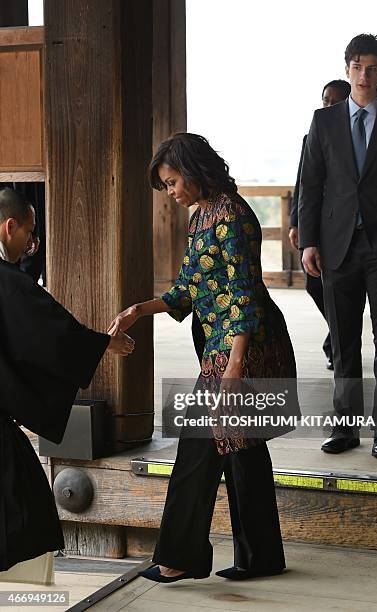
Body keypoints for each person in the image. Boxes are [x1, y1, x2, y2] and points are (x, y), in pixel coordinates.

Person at [109, 133, 299, 582]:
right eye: (167, 186)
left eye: (173, 182)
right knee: (242, 453)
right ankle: (262, 557)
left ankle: (180, 558)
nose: (171, 193)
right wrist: (141, 309)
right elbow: (189, 290)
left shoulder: (230, 216)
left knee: (197, 450)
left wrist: (233, 369)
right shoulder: (202, 217)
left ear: (193, 172)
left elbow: (243, 297)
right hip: (227, 345)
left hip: (243, 349)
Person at [0, 187, 134, 571]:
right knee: (16, 505)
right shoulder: (6, 280)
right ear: (10, 227)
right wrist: (102, 343)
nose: (30, 244)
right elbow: (48, 331)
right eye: (28, 233)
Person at [299, 34, 377, 459]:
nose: (364, 75)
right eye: (357, 66)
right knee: (344, 342)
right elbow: (311, 185)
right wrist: (308, 240)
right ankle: (344, 429)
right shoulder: (323, 121)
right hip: (336, 246)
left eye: (372, 68)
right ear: (347, 69)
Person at [289, 79, 351, 370]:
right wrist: (295, 222)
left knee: (340, 287)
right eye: (325, 100)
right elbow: (303, 183)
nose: (329, 106)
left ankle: (337, 342)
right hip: (316, 225)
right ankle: (341, 331)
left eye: (336, 101)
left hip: (345, 225)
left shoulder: (358, 136)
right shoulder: (311, 135)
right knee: (314, 284)